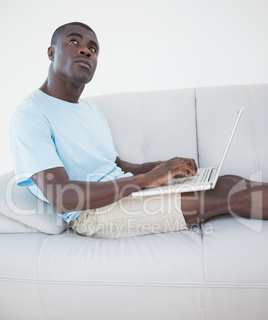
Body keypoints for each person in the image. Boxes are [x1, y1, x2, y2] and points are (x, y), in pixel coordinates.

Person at [10, 22, 268, 238]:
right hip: (93, 213)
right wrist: (145, 181)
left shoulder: (91, 110)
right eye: (74, 42)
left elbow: (115, 164)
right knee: (225, 192)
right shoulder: (31, 114)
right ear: (51, 52)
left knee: (230, 180)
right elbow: (63, 197)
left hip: (123, 192)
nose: (86, 51)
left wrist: (162, 168)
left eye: (93, 48)